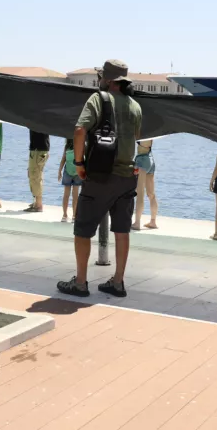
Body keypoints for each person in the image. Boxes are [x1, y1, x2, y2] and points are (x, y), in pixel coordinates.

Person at [57, 60, 142, 299]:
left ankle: (81, 282)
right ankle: (117, 282)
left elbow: (79, 130)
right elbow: (137, 138)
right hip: (127, 177)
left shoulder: (98, 98)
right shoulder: (135, 106)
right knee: (122, 230)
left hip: (101, 176)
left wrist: (79, 163)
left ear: (107, 79)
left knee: (83, 229)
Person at [132, 139, 159, 230]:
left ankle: (137, 223)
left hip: (142, 160)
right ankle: (153, 221)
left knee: (140, 194)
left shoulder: (143, 132)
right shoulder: (152, 134)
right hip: (150, 159)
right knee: (151, 194)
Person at [57, 138, 82, 222]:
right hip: (74, 172)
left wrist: (59, 171)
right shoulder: (80, 145)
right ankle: (71, 215)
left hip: (72, 172)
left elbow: (63, 159)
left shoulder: (68, 146)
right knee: (72, 195)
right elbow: (83, 159)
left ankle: (67, 215)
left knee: (68, 195)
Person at [26, 130, 50, 212]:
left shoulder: (37, 117)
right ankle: (37, 202)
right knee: (36, 175)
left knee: (35, 176)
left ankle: (38, 204)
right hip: (39, 148)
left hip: (38, 149)